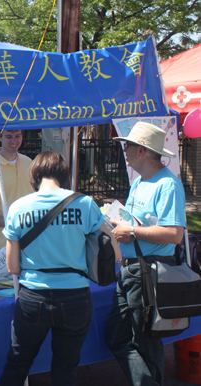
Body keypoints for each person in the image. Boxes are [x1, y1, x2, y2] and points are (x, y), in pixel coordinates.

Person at [0, 151, 120, 386]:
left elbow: (12, 267)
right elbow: (114, 251)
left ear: (34, 175)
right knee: (66, 369)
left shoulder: (18, 207)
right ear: (63, 175)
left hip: (32, 298)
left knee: (18, 363)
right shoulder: (84, 203)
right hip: (76, 298)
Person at [106, 122, 186, 386]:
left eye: (127, 145)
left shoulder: (167, 185)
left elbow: (175, 234)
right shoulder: (141, 181)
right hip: (132, 271)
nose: (124, 150)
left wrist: (133, 231)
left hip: (147, 273)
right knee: (118, 337)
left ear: (141, 150)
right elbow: (135, 224)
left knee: (146, 343)